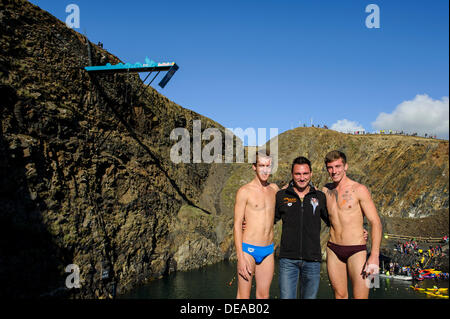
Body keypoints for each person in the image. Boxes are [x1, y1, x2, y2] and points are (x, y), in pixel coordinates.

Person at [323, 150, 382, 299]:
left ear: (345, 166)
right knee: (340, 295)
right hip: (333, 249)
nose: (334, 171)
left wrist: (374, 256)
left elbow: (375, 222)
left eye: (338, 166)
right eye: (330, 167)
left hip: (357, 250)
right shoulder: (326, 190)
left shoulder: (359, 189)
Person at [274, 156, 330, 299]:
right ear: (292, 175)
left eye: (305, 173)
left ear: (311, 174)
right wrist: (247, 224)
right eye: (298, 174)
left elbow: (334, 221)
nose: (302, 178)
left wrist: (360, 230)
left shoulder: (320, 197)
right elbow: (268, 220)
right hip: (288, 260)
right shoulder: (281, 196)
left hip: (312, 260)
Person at [233, 151, 279, 299]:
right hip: (248, 251)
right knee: (243, 296)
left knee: (264, 296)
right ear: (254, 167)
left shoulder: (275, 190)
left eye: (268, 166)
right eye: (261, 166)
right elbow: (237, 225)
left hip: (268, 251)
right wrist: (240, 258)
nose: (265, 170)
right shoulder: (244, 191)